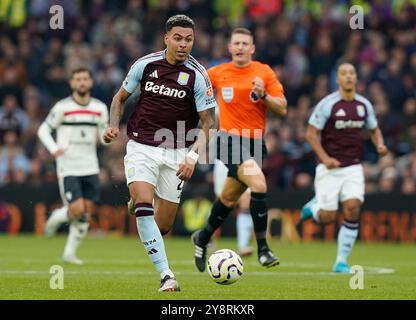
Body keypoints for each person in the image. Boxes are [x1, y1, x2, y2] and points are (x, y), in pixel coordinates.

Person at [103, 15, 216, 292]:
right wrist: (112, 125)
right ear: (166, 38)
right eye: (178, 38)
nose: (183, 44)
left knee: (162, 226)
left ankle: (138, 202)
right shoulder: (145, 64)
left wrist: (192, 157)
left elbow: (209, 123)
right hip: (141, 147)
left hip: (176, 153)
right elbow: (120, 98)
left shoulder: (197, 75)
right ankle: (167, 275)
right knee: (144, 206)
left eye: (188, 39)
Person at [192, 27, 287, 272]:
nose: (241, 47)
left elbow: (282, 107)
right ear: (230, 47)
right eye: (237, 43)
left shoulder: (263, 72)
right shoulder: (217, 73)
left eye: (246, 43)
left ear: (253, 48)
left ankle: (202, 237)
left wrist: (264, 95)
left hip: (255, 142)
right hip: (227, 140)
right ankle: (263, 249)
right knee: (259, 184)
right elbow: (192, 93)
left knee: (228, 198)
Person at [300, 62, 388, 273]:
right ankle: (313, 208)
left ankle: (341, 262)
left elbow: (374, 129)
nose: (348, 77)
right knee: (329, 218)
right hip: (329, 168)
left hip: (353, 168)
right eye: (344, 73)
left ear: (356, 78)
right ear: (337, 79)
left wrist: (380, 145)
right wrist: (326, 158)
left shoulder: (364, 105)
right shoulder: (328, 104)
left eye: (351, 73)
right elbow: (311, 134)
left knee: (353, 208)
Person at [37, 68, 109, 265]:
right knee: (76, 210)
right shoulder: (62, 107)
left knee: (86, 213)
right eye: (78, 79)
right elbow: (43, 129)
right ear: (72, 83)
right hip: (68, 166)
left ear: (91, 82)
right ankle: (55, 219)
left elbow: (104, 138)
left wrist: (109, 138)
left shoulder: (100, 108)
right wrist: (53, 148)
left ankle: (69, 253)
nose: (82, 82)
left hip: (90, 166)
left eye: (85, 79)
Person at [213, 159, 254, 257]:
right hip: (226, 159)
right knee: (222, 202)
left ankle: (243, 245)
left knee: (246, 200)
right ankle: (206, 238)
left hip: (246, 159)